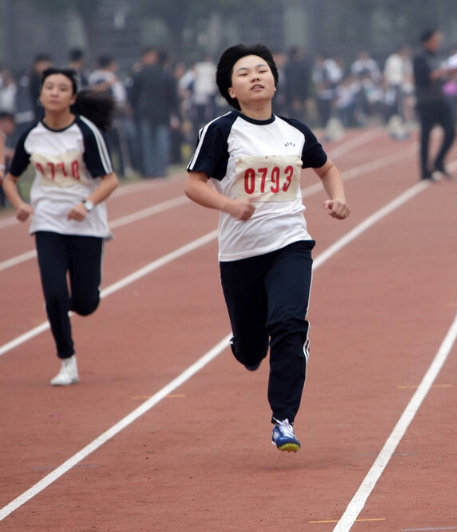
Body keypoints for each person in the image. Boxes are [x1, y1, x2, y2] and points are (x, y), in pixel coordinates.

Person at [185, 43, 350, 453]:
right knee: (251, 350)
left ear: (275, 80)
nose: (256, 76)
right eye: (244, 73)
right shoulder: (222, 131)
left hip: (290, 244)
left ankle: (283, 419)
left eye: (262, 69)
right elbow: (193, 184)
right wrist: (229, 205)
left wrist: (338, 196)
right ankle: (245, 345)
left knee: (288, 325)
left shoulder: (294, 131)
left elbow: (327, 168)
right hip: (240, 255)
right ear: (230, 90)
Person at [1, 68, 118, 385]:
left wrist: (87, 204)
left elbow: (110, 179)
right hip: (47, 221)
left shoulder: (86, 132)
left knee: (85, 304)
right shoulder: (30, 135)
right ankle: (67, 361)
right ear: (40, 96)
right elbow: (9, 179)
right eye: (48, 87)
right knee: (54, 296)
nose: (54, 92)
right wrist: (20, 204)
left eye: (61, 88)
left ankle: (76, 297)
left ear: (73, 97)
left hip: (86, 223)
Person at [413, 28, 457, 181]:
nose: (438, 44)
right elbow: (424, 78)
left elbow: (440, 79)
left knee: (451, 131)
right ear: (427, 42)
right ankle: (425, 171)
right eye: (435, 41)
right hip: (426, 102)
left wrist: (448, 75)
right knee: (426, 136)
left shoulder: (436, 57)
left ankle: (438, 162)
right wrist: (440, 72)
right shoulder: (419, 57)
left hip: (440, 100)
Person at [128, 48, 178, 177]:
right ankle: (160, 169)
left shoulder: (140, 74)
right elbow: (173, 97)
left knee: (147, 144)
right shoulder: (167, 75)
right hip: (162, 113)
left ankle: (149, 170)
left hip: (144, 112)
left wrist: (133, 108)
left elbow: (133, 95)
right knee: (161, 142)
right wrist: (176, 113)